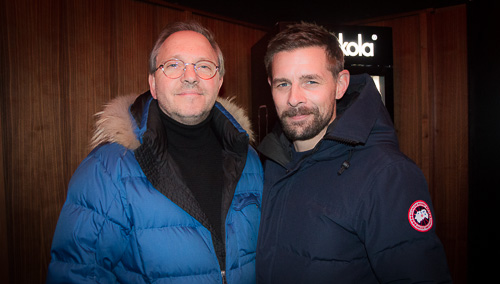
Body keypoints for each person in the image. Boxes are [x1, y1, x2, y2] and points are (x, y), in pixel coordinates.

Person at [47, 21, 263, 283]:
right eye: (173, 65)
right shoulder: (107, 169)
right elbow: (78, 274)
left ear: (219, 82)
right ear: (153, 83)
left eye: (204, 66)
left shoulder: (250, 159)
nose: (190, 76)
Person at [255, 22, 451, 283]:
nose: (294, 98)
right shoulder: (270, 163)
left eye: (310, 81)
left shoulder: (387, 176)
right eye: (282, 84)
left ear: (340, 84)